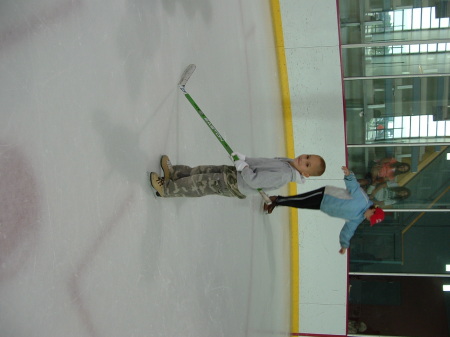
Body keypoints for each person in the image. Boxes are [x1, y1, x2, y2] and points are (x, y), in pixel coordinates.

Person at [263, 166, 385, 254]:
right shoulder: (362, 199)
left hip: (324, 206)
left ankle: (277, 201)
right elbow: (354, 186)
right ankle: (275, 200)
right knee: (300, 199)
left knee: (300, 203)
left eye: (371, 220)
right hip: (326, 195)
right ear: (373, 210)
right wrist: (349, 175)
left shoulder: (358, 218)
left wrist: (344, 245)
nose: (369, 219)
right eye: (371, 217)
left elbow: (348, 231)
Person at [149, 153, 326, 198]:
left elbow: (255, 180)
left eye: (307, 164)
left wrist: (244, 167)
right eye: (308, 156)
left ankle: (167, 189)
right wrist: (245, 159)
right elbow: (261, 162)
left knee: (198, 183)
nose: (304, 159)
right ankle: (174, 174)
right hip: (236, 173)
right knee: (202, 171)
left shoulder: (284, 175)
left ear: (305, 173)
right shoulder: (287, 162)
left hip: (234, 184)